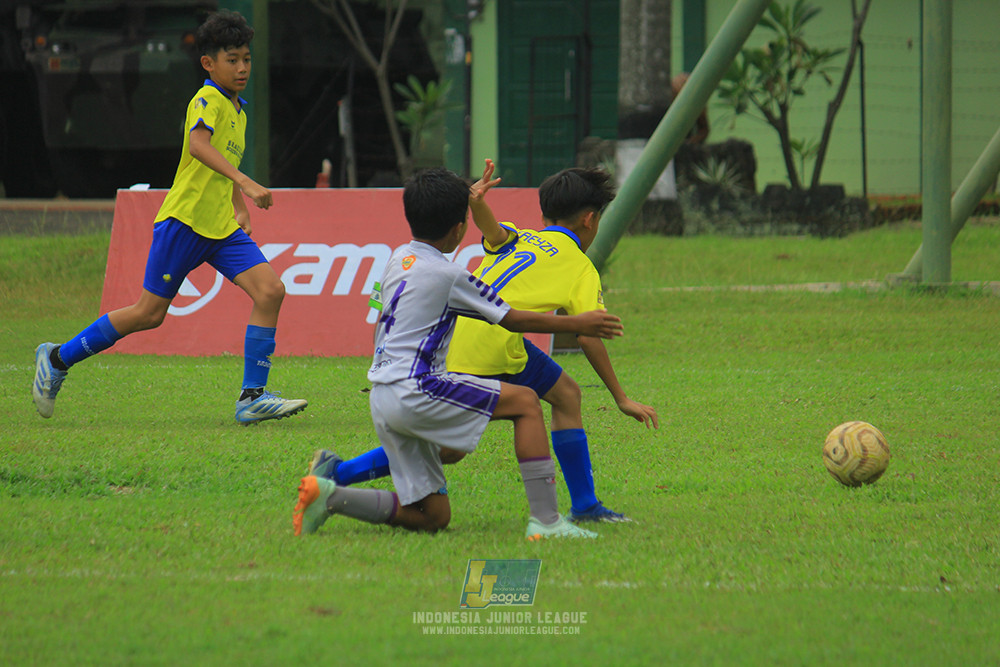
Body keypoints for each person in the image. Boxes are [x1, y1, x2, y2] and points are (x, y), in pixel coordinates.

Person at [307, 160, 658, 523]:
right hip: (492, 345)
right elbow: (587, 336)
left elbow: (491, 231)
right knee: (450, 445)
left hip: (472, 340)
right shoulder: (581, 266)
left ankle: (585, 506)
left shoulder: (522, 236)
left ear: (544, 215)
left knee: (566, 393)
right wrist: (621, 397)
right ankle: (339, 474)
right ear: (589, 220)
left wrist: (475, 202)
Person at [31, 10, 306, 425]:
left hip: (220, 227)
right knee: (149, 313)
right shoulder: (207, 98)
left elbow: (222, 156)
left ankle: (252, 396)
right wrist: (247, 183)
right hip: (184, 223)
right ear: (208, 64)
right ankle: (56, 358)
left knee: (270, 292)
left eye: (246, 58)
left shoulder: (238, 109)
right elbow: (199, 146)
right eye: (232, 59)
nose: (243, 67)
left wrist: (237, 202)